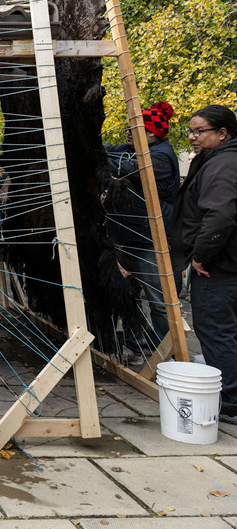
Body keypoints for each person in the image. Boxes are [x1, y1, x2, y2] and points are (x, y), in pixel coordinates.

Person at [171, 104, 237, 425]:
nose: (193, 137)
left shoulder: (222, 164)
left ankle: (231, 402)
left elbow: (220, 215)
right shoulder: (221, 160)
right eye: (191, 131)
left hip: (218, 266)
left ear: (222, 133)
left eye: (200, 131)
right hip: (225, 262)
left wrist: (199, 256)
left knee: (215, 329)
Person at [103, 102, 180, 364]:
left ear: (152, 134)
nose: (126, 131)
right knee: (128, 294)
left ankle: (165, 348)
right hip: (125, 237)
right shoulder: (130, 149)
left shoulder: (161, 157)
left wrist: (100, 159)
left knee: (159, 299)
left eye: (134, 128)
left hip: (150, 241)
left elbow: (126, 169)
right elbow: (105, 152)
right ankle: (137, 340)